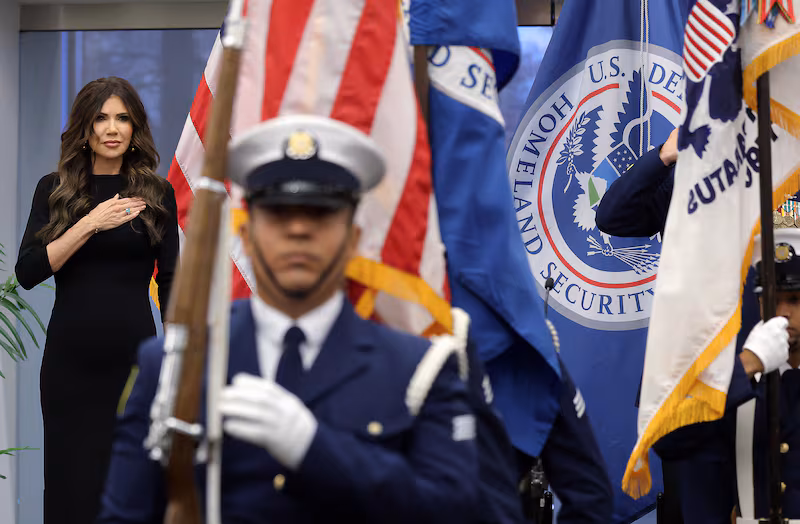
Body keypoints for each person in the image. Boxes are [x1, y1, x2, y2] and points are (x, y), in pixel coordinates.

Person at [97, 115, 482, 523]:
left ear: (353, 238)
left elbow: (455, 509)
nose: (298, 229)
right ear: (245, 237)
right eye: (279, 214)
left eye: (319, 214)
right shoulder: (174, 364)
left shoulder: (419, 370)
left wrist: (315, 449)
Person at [15, 76, 179, 524]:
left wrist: (177, 360)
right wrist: (89, 223)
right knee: (72, 485)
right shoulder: (55, 189)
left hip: (136, 365)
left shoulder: (156, 194)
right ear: (84, 129)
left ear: (135, 128)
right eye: (101, 118)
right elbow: (28, 272)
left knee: (133, 484)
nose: (112, 128)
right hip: (71, 367)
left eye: (123, 118)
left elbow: (171, 283)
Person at [736, 227, 800, 519]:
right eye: (772, 299)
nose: (783, 312)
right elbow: (673, 444)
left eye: (796, 300)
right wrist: (747, 365)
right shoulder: (739, 382)